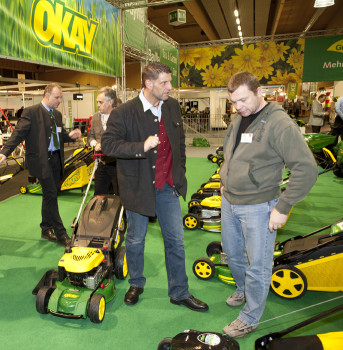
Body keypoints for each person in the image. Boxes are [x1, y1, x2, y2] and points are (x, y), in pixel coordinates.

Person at [101, 62, 208, 312]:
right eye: (164, 83)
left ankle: (179, 292)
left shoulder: (171, 106)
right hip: (138, 188)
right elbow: (108, 146)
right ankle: (136, 284)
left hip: (168, 187)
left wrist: (178, 171)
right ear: (148, 84)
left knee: (176, 241)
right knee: (136, 240)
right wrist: (141, 146)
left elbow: (179, 141)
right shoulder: (124, 113)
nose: (170, 87)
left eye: (170, 82)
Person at [219, 71, 317, 338]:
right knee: (233, 253)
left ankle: (250, 318)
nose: (238, 107)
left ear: (259, 91)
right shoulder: (238, 119)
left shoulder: (279, 123)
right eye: (233, 102)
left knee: (258, 265)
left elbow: (307, 170)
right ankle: (243, 290)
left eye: (242, 100)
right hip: (229, 200)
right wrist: (224, 178)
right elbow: (230, 151)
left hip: (260, 206)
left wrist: (283, 207)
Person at [0, 84, 81, 247]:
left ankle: (45, 228)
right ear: (47, 95)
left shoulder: (57, 115)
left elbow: (60, 135)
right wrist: (4, 152)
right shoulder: (31, 112)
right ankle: (61, 234)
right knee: (51, 193)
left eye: (61, 97)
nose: (60, 101)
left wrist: (71, 136)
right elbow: (18, 134)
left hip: (56, 160)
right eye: (57, 97)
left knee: (50, 194)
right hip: (41, 161)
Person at [87, 87, 119, 195]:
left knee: (120, 197)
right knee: (98, 196)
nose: (98, 105)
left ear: (111, 102)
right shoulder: (95, 117)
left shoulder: (121, 116)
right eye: (97, 102)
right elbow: (90, 137)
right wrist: (95, 144)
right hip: (101, 163)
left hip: (118, 164)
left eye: (100, 102)